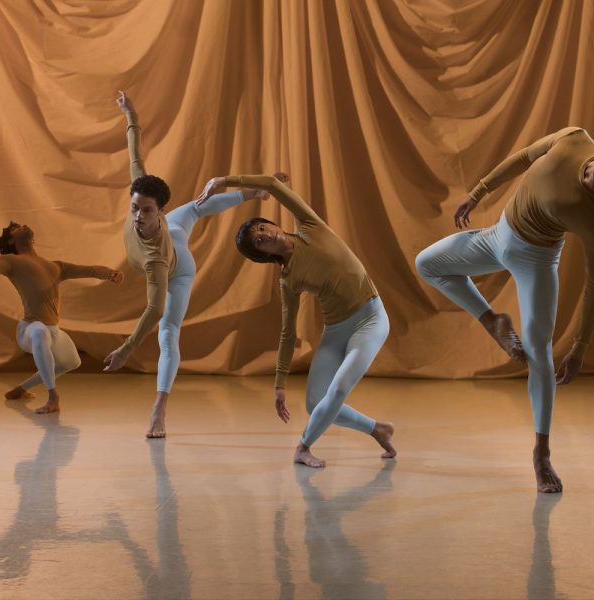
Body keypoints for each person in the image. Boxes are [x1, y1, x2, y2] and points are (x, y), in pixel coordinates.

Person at [415, 127, 594, 493]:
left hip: (537, 262)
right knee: (427, 264)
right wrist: (478, 192)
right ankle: (491, 320)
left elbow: (593, 284)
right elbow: (524, 157)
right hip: (497, 237)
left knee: (539, 353)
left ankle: (542, 454)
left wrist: (579, 348)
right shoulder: (575, 138)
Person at [197, 173, 396, 468]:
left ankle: (303, 447)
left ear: (272, 223)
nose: (266, 235)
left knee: (338, 390)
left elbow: (272, 184)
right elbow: (287, 333)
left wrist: (222, 181)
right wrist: (279, 384)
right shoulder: (288, 280)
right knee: (315, 404)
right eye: (260, 241)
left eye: (263, 228)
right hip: (336, 330)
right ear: (263, 255)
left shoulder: (310, 226)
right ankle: (378, 429)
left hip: (370, 318)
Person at [103, 92, 268, 438]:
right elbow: (135, 154)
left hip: (179, 267)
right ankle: (252, 193)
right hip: (175, 226)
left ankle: (159, 408)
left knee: (167, 333)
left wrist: (127, 349)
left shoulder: (157, 260)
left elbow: (155, 309)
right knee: (195, 207)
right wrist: (131, 114)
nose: (138, 216)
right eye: (135, 207)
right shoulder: (142, 196)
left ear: (159, 210)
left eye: (147, 211)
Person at [0, 222, 123, 413]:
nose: (23, 225)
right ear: (12, 241)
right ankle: (53, 397)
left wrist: (111, 274)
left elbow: (89, 270)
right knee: (40, 332)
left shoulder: (55, 266)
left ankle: (20, 390)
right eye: (16, 228)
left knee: (72, 362)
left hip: (53, 330)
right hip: (29, 329)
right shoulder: (11, 261)